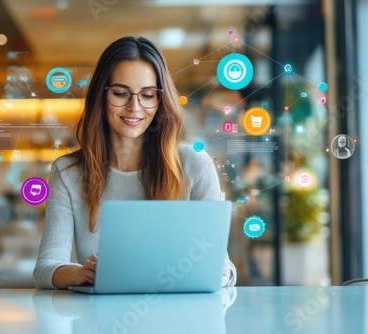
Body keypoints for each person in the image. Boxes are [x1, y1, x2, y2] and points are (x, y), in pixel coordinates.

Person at [33, 36, 237, 289]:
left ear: (160, 100)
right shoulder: (68, 173)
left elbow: (221, 264)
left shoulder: (195, 164)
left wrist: (225, 273)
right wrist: (78, 274)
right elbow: (46, 268)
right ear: (100, 95)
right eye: (120, 93)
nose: (134, 107)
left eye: (148, 95)